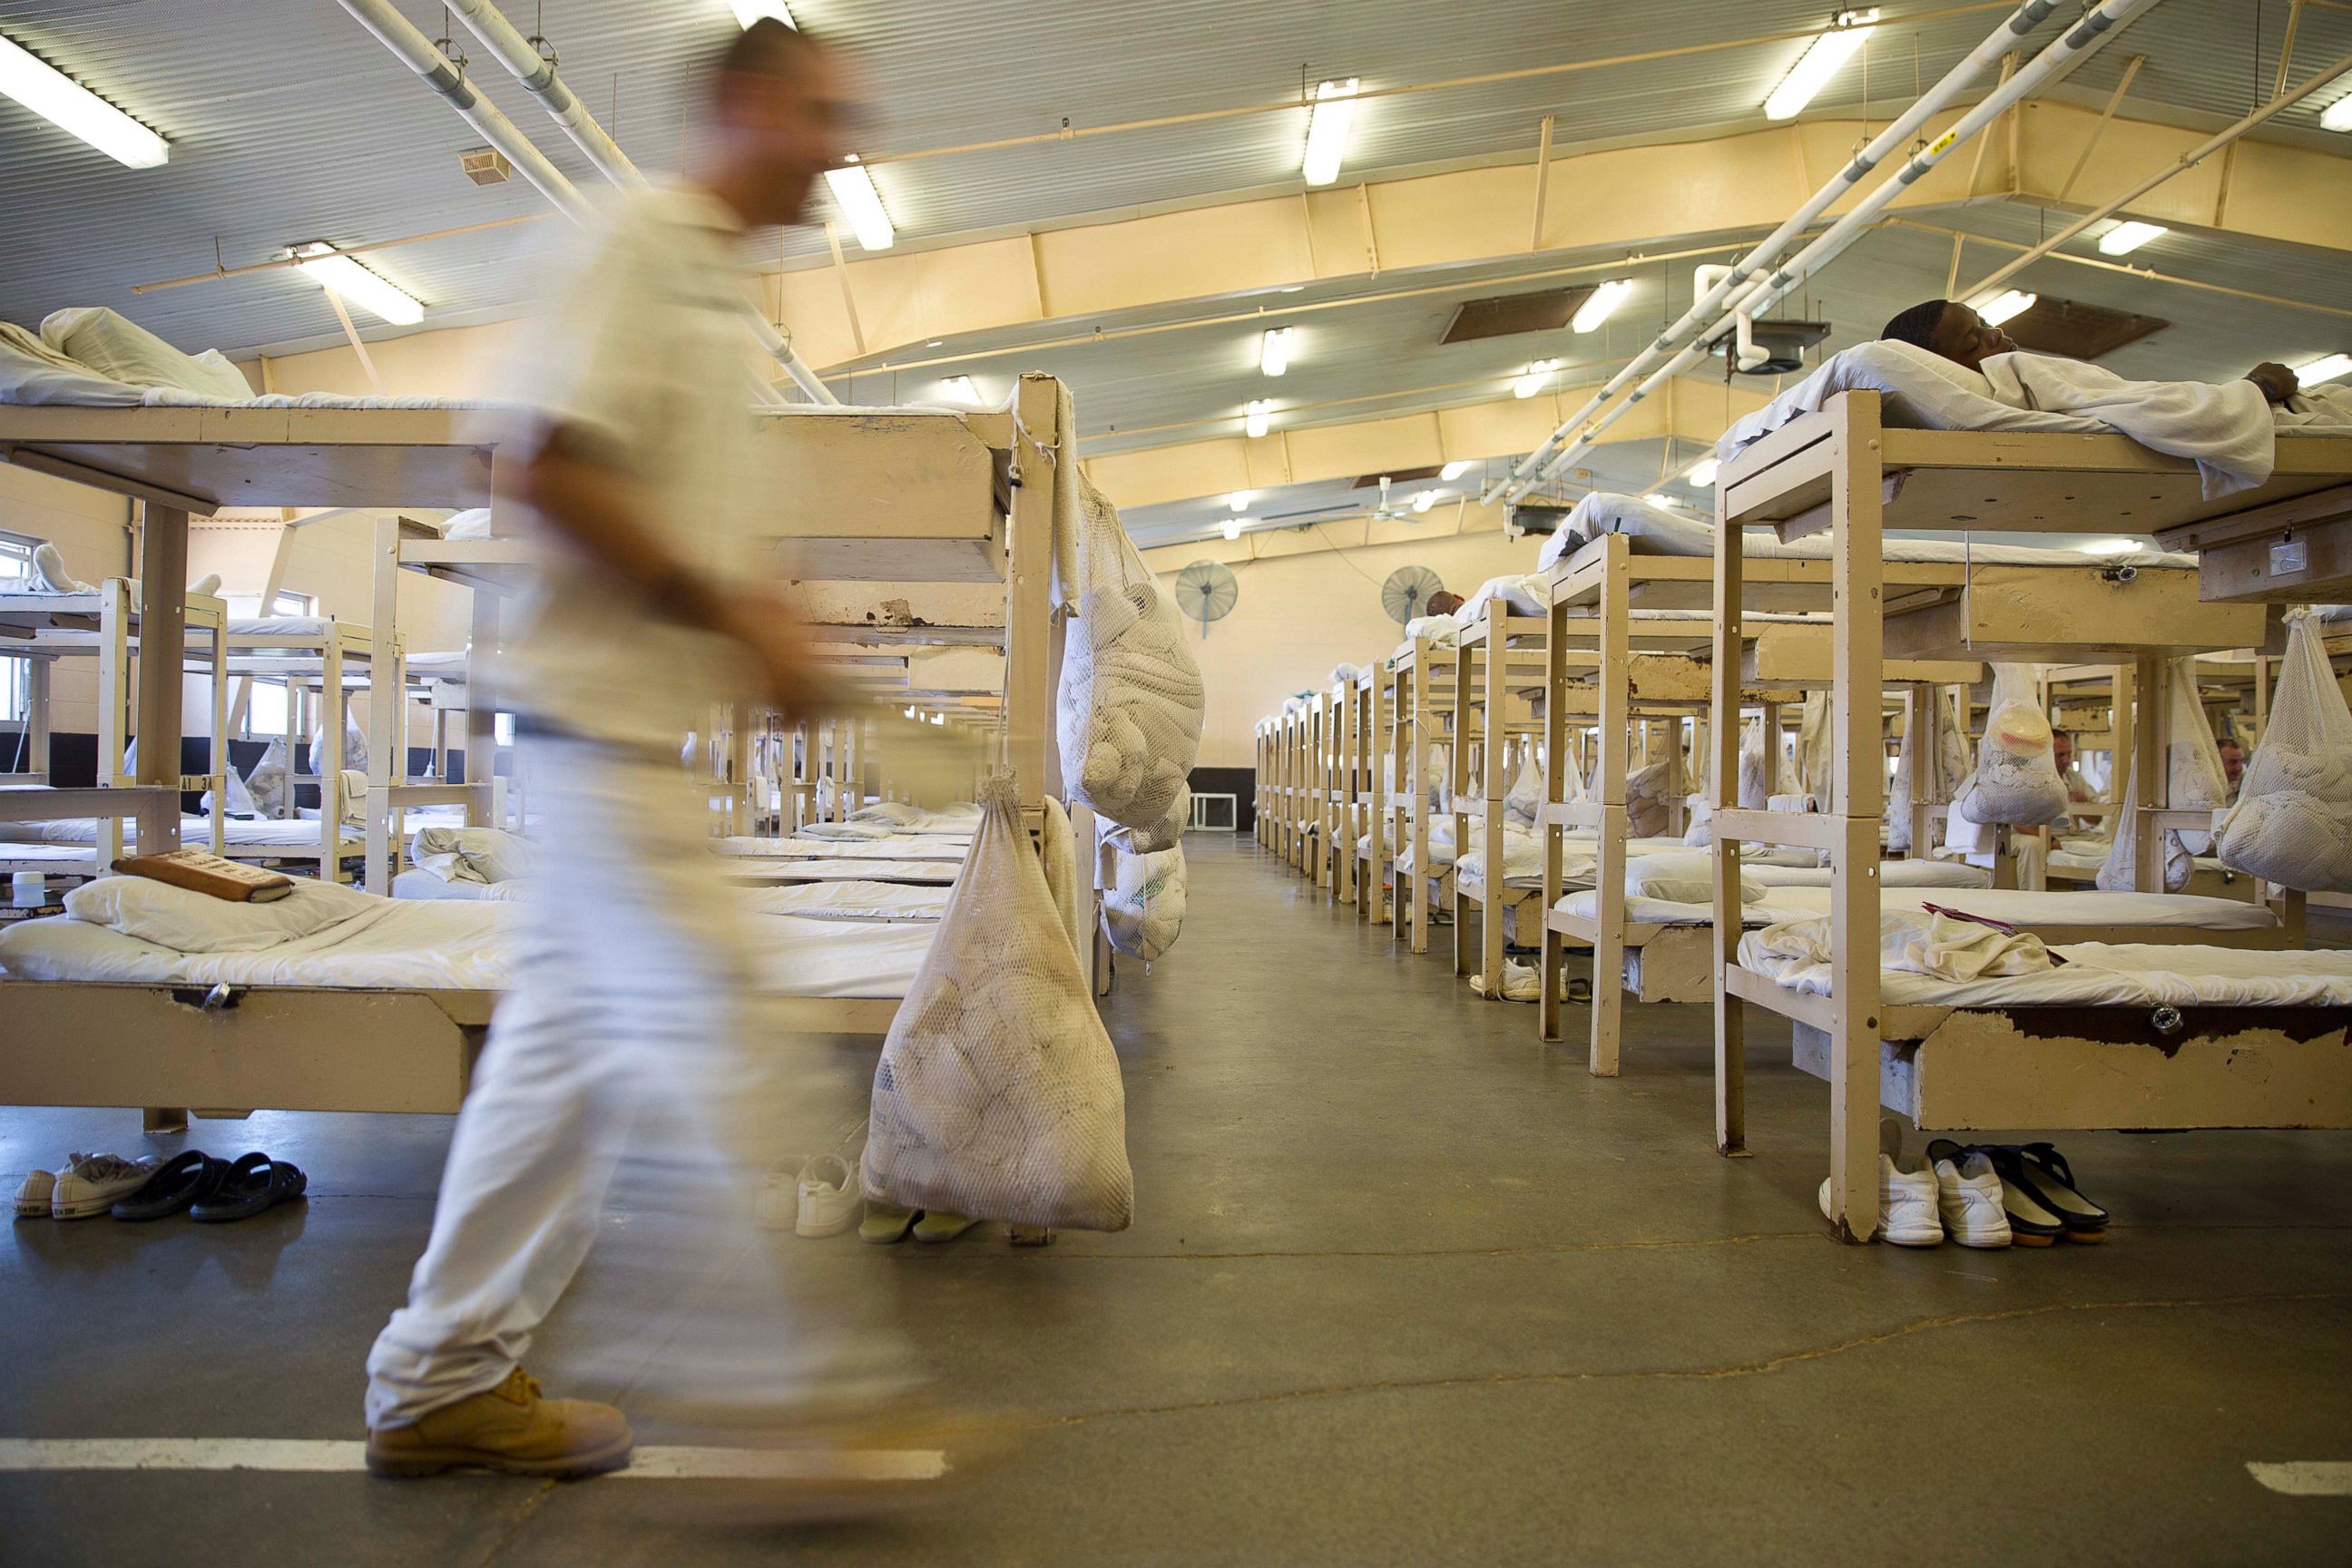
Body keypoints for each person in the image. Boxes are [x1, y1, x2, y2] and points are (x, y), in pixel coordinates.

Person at [363, 19, 877, 1479]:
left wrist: (761, 627)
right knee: (737, 1070)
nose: (846, 146)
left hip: (621, 747)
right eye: (824, 114)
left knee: (556, 1085)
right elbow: (538, 461)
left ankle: (439, 1377)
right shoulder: (639, 246)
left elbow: (663, 512)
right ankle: (795, 1426)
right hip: (604, 750)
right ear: (747, 105)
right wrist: (723, 610)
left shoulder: (714, 303)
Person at [1878, 299, 2300, 404]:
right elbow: (2149, 410)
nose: (1995, 334)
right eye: (1974, 341)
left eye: (1985, 323)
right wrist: (2255, 389)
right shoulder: (2019, 383)